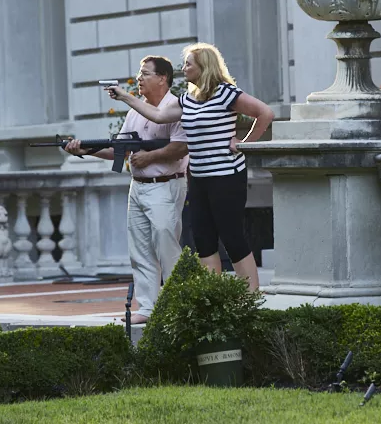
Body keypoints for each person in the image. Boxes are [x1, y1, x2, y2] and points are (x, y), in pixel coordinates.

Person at [105, 43, 275, 289]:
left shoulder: (226, 93)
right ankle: (214, 299)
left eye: (188, 64)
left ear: (204, 66)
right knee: (203, 240)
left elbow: (265, 113)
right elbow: (158, 115)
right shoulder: (188, 100)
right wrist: (125, 96)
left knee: (232, 236)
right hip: (198, 177)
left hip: (226, 176)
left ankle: (249, 297)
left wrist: (244, 143)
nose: (183, 68)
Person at [65, 56, 189, 324]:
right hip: (139, 187)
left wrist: (149, 157)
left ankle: (180, 302)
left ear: (163, 78)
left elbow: (180, 146)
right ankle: (148, 307)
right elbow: (118, 149)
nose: (139, 78)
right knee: (140, 249)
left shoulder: (175, 107)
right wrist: (84, 150)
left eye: (145, 73)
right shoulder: (136, 111)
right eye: (139, 73)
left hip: (165, 184)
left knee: (166, 243)